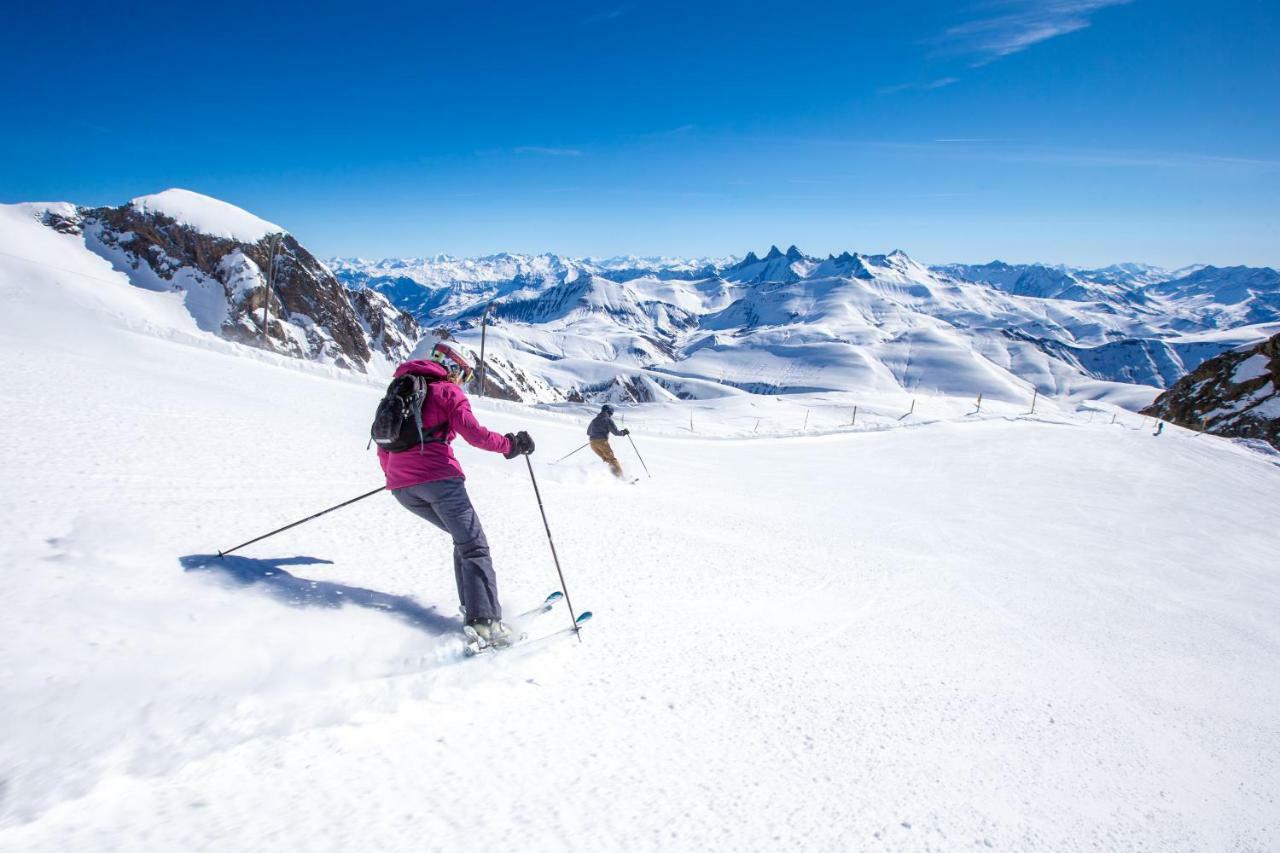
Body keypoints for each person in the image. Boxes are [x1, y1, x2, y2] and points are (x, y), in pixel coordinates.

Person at [377, 342, 534, 647]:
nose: (463, 382)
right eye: (464, 374)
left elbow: (386, 441)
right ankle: (485, 624)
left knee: (463, 541)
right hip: (440, 482)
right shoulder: (448, 391)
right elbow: (475, 435)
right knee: (474, 546)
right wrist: (511, 445)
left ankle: (475, 609)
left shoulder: (400, 390)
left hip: (402, 488)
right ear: (453, 369)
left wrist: (397, 477)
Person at [587, 404, 629, 479]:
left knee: (606, 459)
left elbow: (588, 432)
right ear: (608, 412)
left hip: (592, 443)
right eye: (611, 413)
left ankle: (611, 476)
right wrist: (623, 432)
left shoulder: (594, 420)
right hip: (602, 442)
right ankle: (622, 478)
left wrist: (596, 435)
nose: (611, 415)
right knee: (612, 459)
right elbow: (615, 433)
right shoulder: (607, 420)